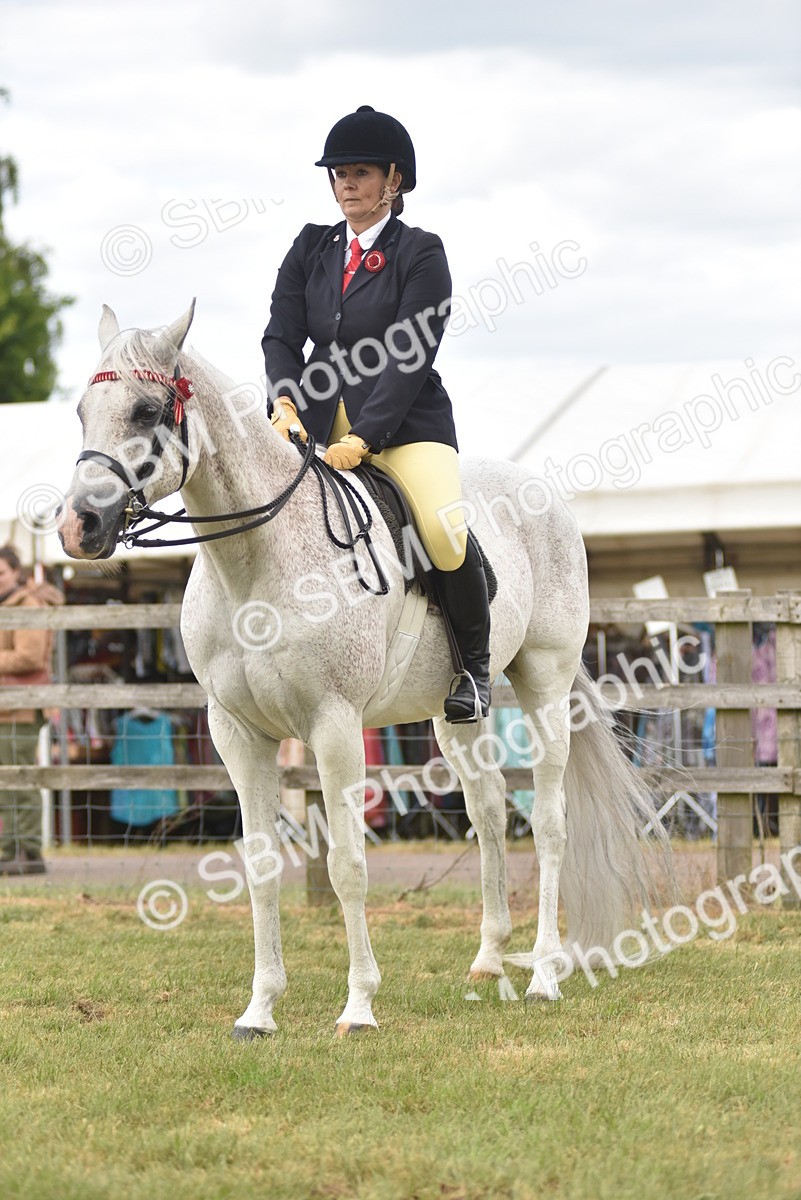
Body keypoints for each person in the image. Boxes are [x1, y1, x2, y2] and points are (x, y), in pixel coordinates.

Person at [262, 105, 491, 722]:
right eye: (337, 173)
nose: (345, 185)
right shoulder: (311, 246)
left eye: (359, 172)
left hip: (406, 421)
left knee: (442, 531)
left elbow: (410, 354)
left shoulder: (421, 252)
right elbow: (280, 335)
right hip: (310, 416)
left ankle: (474, 668)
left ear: (394, 179)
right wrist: (284, 397)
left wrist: (365, 437)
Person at [0, 546, 56, 874]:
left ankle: (29, 852)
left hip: (20, 707)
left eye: (2, 573)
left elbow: (29, 657)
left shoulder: (28, 605)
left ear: (16, 573)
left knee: (20, 779)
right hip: (5, 706)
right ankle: (9, 851)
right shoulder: (8, 605)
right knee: (7, 782)